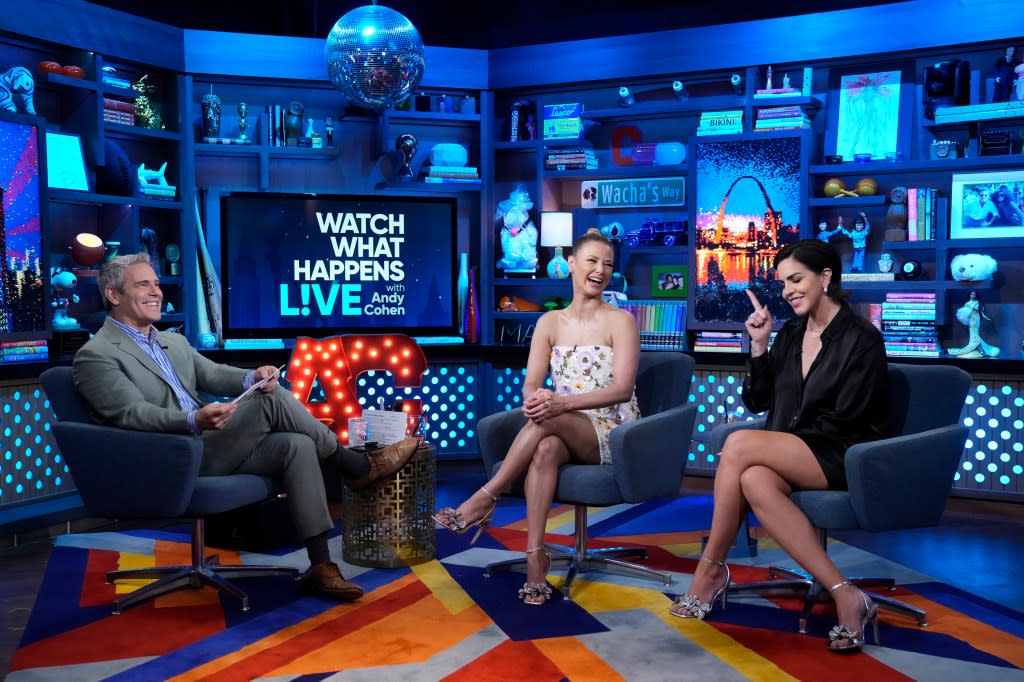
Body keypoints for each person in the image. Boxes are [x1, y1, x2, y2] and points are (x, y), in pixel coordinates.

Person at [72, 253, 419, 602]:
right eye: (142, 284)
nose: (156, 292)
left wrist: (253, 376)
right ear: (113, 295)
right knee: (271, 401)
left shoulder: (171, 340)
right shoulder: (96, 354)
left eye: (157, 283)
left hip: (209, 444)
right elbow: (132, 415)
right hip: (169, 457)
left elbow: (212, 373)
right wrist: (193, 419)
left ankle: (321, 565)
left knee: (295, 444)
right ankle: (356, 466)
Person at [669, 240, 889, 654]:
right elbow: (756, 400)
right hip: (794, 448)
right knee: (753, 477)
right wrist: (758, 345)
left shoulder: (861, 339)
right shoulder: (788, 333)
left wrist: (778, 443)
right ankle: (845, 593)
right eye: (783, 283)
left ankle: (710, 571)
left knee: (737, 445)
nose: (787, 290)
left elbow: (847, 420)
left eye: (796, 279)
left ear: (825, 278)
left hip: (845, 453)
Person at [433, 229, 641, 605]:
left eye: (608, 264)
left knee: (548, 420)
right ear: (572, 265)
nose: (600, 270)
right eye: (592, 261)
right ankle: (535, 562)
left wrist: (557, 405)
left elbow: (622, 390)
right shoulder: (549, 323)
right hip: (559, 424)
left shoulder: (621, 321)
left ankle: (485, 496)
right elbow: (531, 384)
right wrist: (535, 401)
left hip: (612, 431)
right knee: (544, 447)